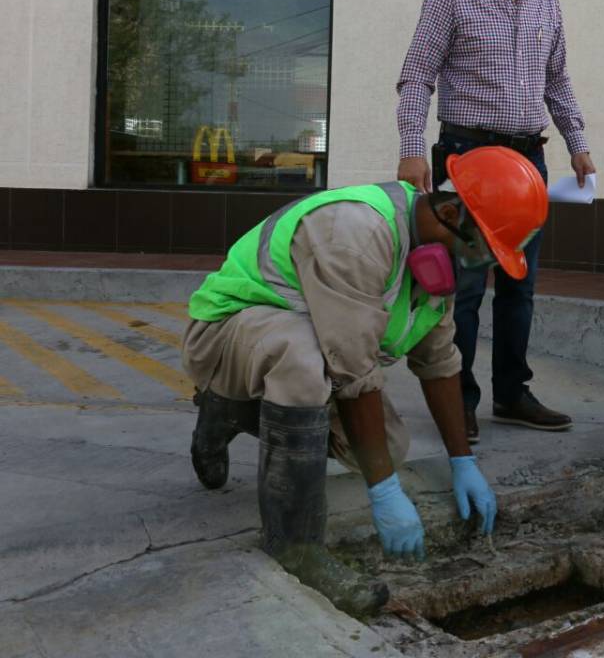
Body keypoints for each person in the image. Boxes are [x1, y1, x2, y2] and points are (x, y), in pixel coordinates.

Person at [182, 147, 546, 616]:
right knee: (303, 357)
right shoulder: (356, 233)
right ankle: (295, 545)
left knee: (385, 449)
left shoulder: (437, 262)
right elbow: (353, 372)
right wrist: (384, 493)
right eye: (483, 249)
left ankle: (229, 412)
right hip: (225, 334)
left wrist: (462, 460)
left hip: (307, 352)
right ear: (452, 212)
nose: (482, 266)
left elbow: (439, 362)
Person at [395, 0, 594, 443]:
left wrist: (576, 142)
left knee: (520, 283)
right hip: (467, 160)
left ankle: (511, 393)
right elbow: (417, 76)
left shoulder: (547, 1)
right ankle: (457, 399)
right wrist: (412, 148)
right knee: (462, 286)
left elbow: (557, 81)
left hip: (527, 161)